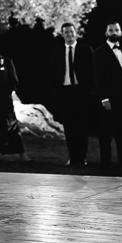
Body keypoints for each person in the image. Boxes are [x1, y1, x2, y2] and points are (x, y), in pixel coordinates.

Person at [49, 22, 94, 167]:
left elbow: (92, 72)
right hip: (65, 93)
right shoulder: (57, 52)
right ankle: (72, 157)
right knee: (68, 127)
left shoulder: (85, 50)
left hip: (81, 92)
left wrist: (90, 91)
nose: (69, 34)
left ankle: (82, 157)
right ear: (62, 34)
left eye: (71, 32)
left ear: (76, 33)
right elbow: (53, 73)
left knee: (81, 126)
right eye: (66, 32)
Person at [92, 22, 122, 168]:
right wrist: (104, 98)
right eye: (111, 30)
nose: (114, 32)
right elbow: (98, 78)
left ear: (121, 32)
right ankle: (105, 162)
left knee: (121, 130)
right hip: (109, 97)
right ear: (106, 33)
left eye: (117, 29)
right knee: (106, 132)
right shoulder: (100, 52)